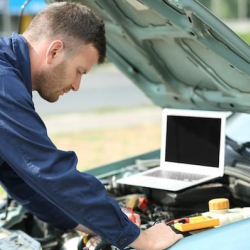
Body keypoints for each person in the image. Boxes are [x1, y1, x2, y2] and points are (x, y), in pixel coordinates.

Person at [0, 2, 182, 249]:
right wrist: (142, 238)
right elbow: (48, 168)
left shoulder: (8, 76)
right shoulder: (3, 83)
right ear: (54, 51)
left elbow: (22, 181)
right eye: (79, 71)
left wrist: (89, 222)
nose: (76, 86)